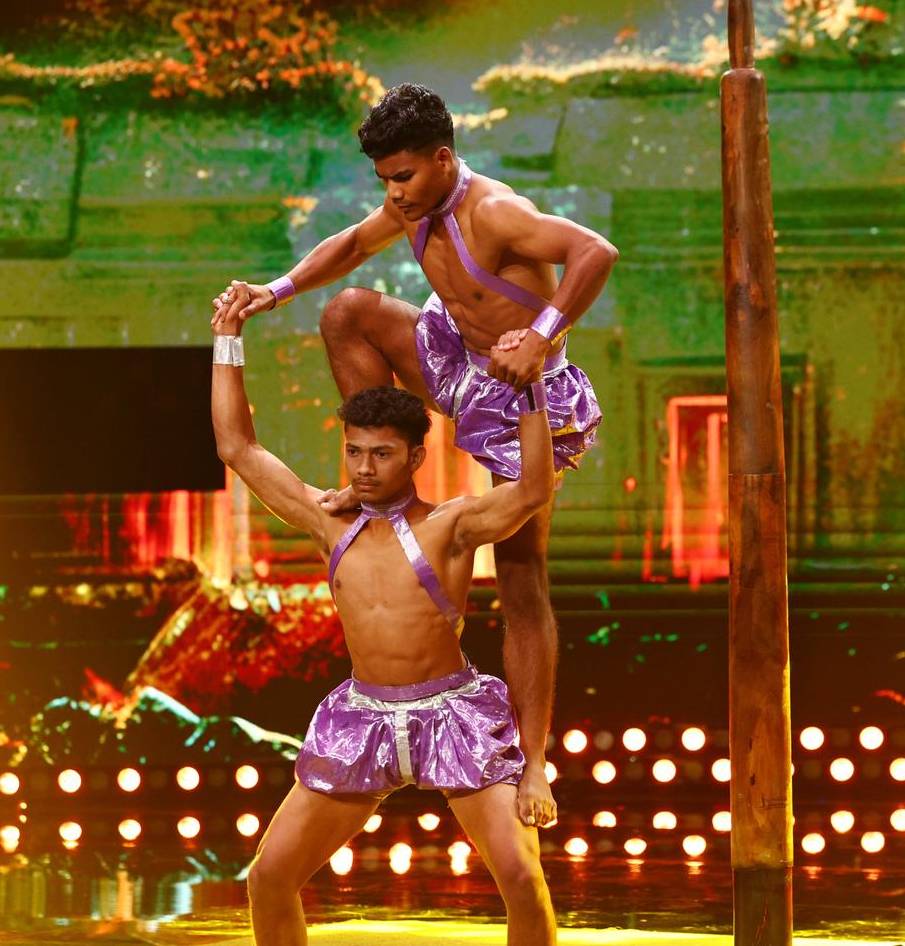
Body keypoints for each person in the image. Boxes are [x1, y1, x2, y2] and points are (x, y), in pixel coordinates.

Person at [214, 82, 618, 830]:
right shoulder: (410, 203)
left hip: (520, 389)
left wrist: (542, 336)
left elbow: (596, 251)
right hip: (456, 358)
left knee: (521, 575)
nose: (394, 193)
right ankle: (382, 484)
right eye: (384, 180)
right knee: (348, 313)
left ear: (442, 158)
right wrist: (274, 292)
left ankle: (534, 760)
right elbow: (351, 246)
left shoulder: (494, 212)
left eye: (403, 176)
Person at [208, 295, 568, 946]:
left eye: (380, 454)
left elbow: (532, 490)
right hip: (362, 719)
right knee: (268, 875)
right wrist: (227, 337)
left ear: (414, 457)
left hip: (452, 714)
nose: (363, 468)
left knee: (521, 875)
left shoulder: (450, 526)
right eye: (354, 452)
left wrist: (534, 385)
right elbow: (238, 446)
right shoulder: (328, 522)